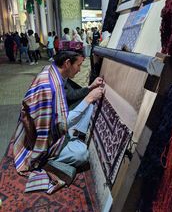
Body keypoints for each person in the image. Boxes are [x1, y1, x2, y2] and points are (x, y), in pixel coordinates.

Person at [13, 50, 104, 194]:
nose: (80, 70)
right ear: (67, 63)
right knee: (82, 154)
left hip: (45, 128)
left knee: (87, 108)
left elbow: (60, 112)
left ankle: (70, 140)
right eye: (79, 65)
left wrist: (90, 88)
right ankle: (47, 161)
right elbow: (60, 122)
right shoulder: (50, 87)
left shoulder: (51, 71)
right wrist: (89, 98)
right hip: (39, 143)